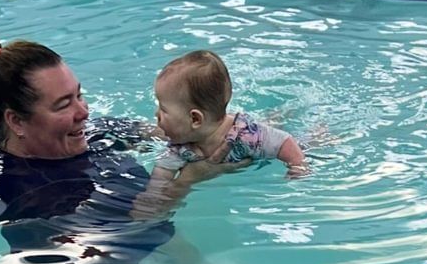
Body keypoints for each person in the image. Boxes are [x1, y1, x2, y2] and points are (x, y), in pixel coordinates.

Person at [0, 37, 224, 264]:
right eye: (64, 104)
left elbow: (183, 134)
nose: (84, 111)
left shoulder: (96, 133)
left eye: (79, 95)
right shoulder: (21, 194)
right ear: (16, 121)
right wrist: (188, 180)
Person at [131, 50, 307, 219]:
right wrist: (151, 199)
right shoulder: (178, 148)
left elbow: (285, 142)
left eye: (163, 109)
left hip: (252, 139)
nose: (156, 114)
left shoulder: (246, 136)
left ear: (195, 119)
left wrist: (297, 167)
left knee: (301, 142)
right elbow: (160, 179)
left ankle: (288, 117)